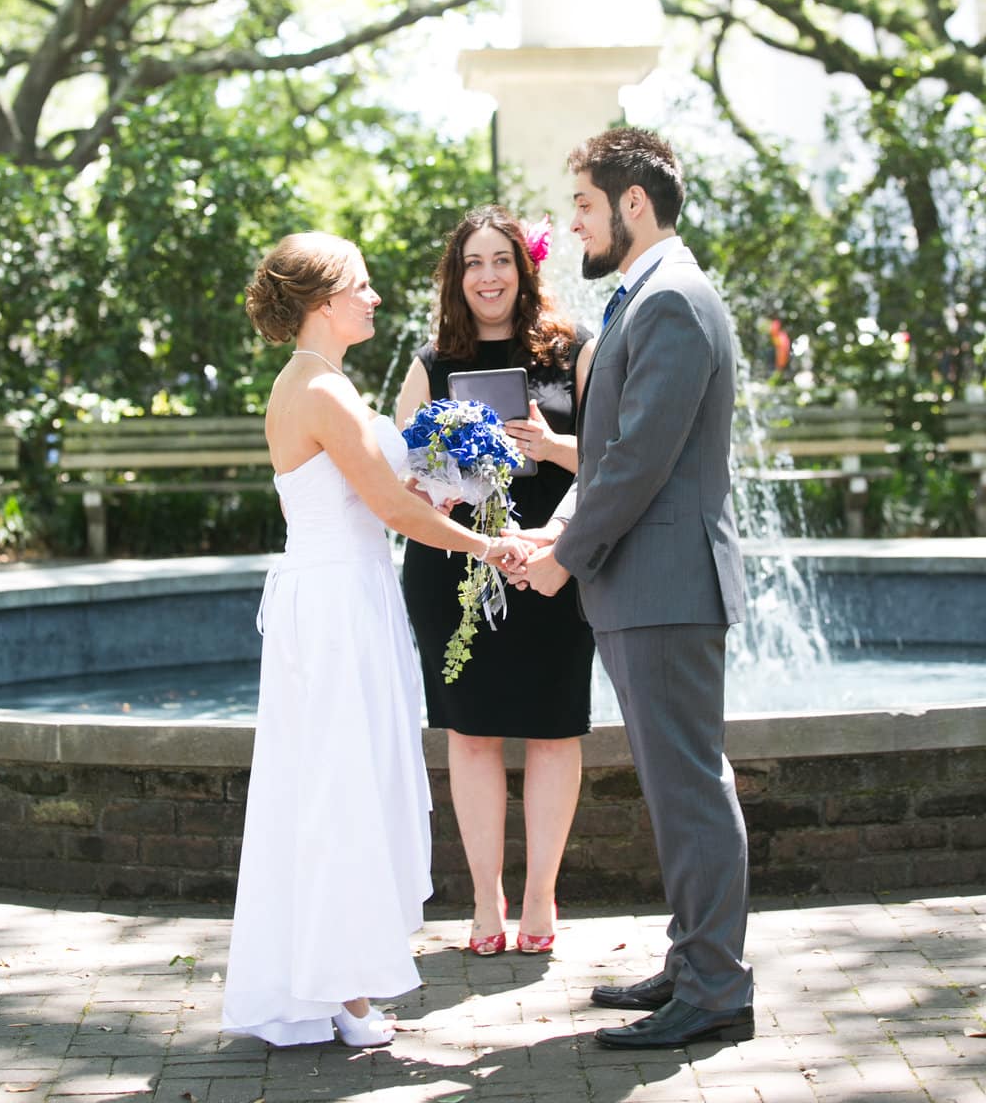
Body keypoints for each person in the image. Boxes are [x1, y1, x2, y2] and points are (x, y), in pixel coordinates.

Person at [222, 231, 528, 1049]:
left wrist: (451, 483)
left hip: (345, 592)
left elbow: (382, 493)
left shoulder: (320, 382)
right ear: (324, 302)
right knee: (339, 787)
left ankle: (329, 980)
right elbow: (392, 511)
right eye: (361, 286)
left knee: (333, 782)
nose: (375, 297)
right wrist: (486, 545)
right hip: (333, 603)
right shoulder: (318, 391)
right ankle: (343, 994)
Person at [514, 128, 754, 1050]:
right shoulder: (648, 298)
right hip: (649, 585)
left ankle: (717, 990)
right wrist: (555, 529)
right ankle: (696, 962)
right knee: (677, 785)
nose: (572, 221)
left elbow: (641, 462)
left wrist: (563, 555)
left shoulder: (672, 302)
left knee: (690, 788)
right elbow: (617, 454)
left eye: (582, 203)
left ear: (633, 204)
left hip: (664, 585)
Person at [395, 205, 595, 956]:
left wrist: (550, 444)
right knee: (471, 735)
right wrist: (450, 491)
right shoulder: (430, 363)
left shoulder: (572, 350)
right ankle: (486, 901)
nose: (488, 276)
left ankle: (541, 895)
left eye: (501, 261)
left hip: (554, 567)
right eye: (474, 262)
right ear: (457, 275)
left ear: (525, 268)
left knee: (552, 731)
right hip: (452, 571)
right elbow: (401, 481)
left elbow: (616, 458)